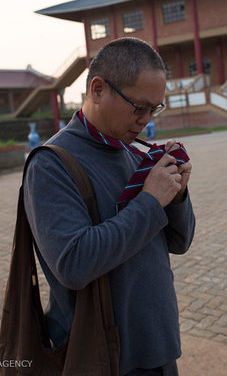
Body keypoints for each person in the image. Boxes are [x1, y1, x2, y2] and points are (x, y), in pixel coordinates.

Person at [24, 37, 195, 375]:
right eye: (139, 107)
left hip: (158, 345)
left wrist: (176, 195)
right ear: (98, 90)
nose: (145, 121)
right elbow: (74, 263)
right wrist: (150, 200)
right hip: (105, 355)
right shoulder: (51, 164)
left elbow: (180, 242)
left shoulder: (134, 152)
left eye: (154, 109)